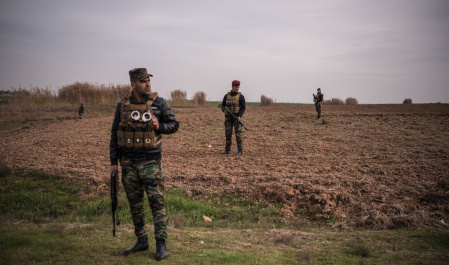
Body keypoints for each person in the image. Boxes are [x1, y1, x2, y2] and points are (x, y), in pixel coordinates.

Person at [110, 68, 179, 261]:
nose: (147, 84)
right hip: (128, 163)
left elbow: (174, 124)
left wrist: (160, 126)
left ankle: (161, 244)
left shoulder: (158, 103)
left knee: (157, 204)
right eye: (142, 81)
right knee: (135, 205)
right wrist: (113, 162)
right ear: (133, 84)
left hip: (151, 162)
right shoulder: (122, 106)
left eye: (148, 80)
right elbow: (115, 134)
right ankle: (141, 241)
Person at [221, 80, 246, 156]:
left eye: (238, 87)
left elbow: (243, 107)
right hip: (228, 118)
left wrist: (239, 116)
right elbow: (222, 105)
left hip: (236, 118)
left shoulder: (241, 96)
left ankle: (240, 151)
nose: (237, 88)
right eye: (236, 87)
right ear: (232, 86)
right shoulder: (227, 96)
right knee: (228, 134)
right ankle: (227, 150)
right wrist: (224, 111)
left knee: (238, 134)